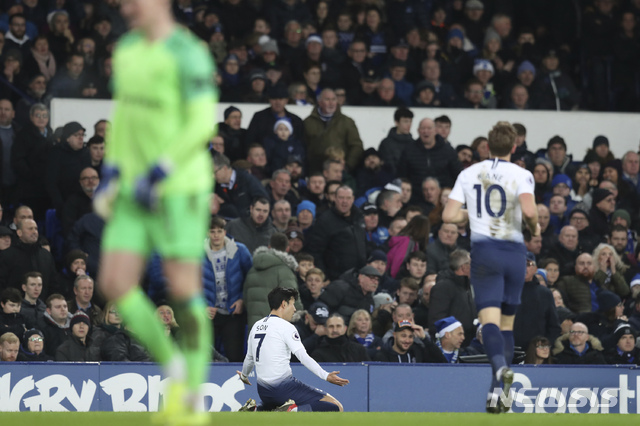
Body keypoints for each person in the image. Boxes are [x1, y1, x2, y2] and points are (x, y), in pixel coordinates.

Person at [91, 0, 217, 422]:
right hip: (133, 187)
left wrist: (160, 171)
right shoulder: (127, 49)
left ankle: (192, 393)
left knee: (182, 291)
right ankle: (174, 365)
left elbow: (202, 122)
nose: (125, 7)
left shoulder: (188, 52)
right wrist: (111, 170)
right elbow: (124, 116)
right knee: (114, 283)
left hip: (181, 187)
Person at [443, 121, 539, 413]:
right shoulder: (522, 174)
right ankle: (497, 393)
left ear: (486, 146)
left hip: (485, 254)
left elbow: (448, 215)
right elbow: (531, 212)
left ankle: (499, 370)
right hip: (514, 254)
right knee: (507, 324)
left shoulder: (470, 173)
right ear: (514, 146)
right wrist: (533, 228)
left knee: (490, 323)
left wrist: (471, 213)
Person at [237, 287, 349, 412]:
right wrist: (326, 375)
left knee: (275, 404)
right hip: (284, 389)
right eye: (292, 304)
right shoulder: (286, 327)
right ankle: (291, 411)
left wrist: (244, 376)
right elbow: (303, 356)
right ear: (284, 304)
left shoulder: (256, 326)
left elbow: (249, 358)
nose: (295, 309)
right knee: (337, 407)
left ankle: (257, 410)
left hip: (263, 392)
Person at [204, 216, 253, 362]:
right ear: (207, 233)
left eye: (219, 231)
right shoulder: (198, 253)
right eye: (212, 231)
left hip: (232, 312)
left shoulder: (239, 250)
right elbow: (191, 282)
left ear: (225, 232)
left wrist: (242, 300)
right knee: (206, 357)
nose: (216, 235)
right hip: (209, 314)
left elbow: (251, 278)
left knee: (234, 356)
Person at [307, 186, 366, 280]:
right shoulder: (325, 221)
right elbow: (315, 252)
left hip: (360, 277)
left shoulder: (359, 217)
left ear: (353, 199)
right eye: (341, 198)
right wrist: (324, 277)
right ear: (335, 198)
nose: (344, 201)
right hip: (336, 279)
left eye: (348, 198)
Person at [244, 233, 301, 328]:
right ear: (287, 248)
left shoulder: (253, 269)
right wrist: (300, 313)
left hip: (254, 325)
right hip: (275, 326)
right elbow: (292, 297)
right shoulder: (284, 270)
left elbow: (245, 296)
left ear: (269, 247)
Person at [304, 88, 364, 174]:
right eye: (327, 99)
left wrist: (348, 166)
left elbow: (356, 146)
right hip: (315, 171)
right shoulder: (308, 122)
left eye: (333, 99)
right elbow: (303, 146)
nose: (331, 103)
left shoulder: (347, 122)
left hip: (340, 171)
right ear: (320, 102)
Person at [428, 250, 476, 344]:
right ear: (463, 267)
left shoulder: (467, 286)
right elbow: (437, 322)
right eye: (472, 264)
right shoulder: (443, 288)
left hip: (468, 343)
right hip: (451, 347)